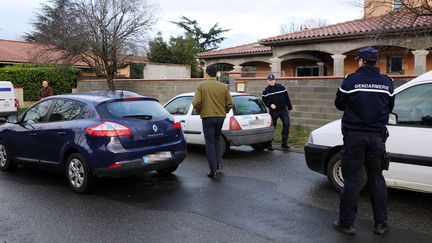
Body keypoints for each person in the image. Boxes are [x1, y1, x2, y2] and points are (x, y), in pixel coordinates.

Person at [333, 47, 394, 235]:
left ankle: (347, 224)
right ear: (376, 61)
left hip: (354, 137)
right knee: (376, 177)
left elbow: (339, 104)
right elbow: (390, 106)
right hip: (377, 138)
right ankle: (381, 224)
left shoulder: (351, 81)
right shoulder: (387, 82)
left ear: (361, 61)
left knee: (352, 179)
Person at [192, 66, 233, 179]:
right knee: (216, 140)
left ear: (206, 74)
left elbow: (196, 102)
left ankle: (213, 170)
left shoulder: (201, 85)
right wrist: (224, 111)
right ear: (216, 74)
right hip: (220, 117)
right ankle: (219, 163)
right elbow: (230, 103)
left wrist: (201, 111)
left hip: (208, 118)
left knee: (209, 143)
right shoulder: (223, 87)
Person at [262, 74, 293, 150]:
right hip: (274, 112)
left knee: (287, 124)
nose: (272, 81)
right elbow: (264, 101)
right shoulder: (265, 91)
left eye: (273, 80)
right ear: (267, 81)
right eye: (270, 80)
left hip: (283, 110)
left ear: (275, 80)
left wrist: (289, 107)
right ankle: (269, 144)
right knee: (273, 127)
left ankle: (284, 143)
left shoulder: (281, 87)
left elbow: (286, 97)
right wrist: (270, 105)